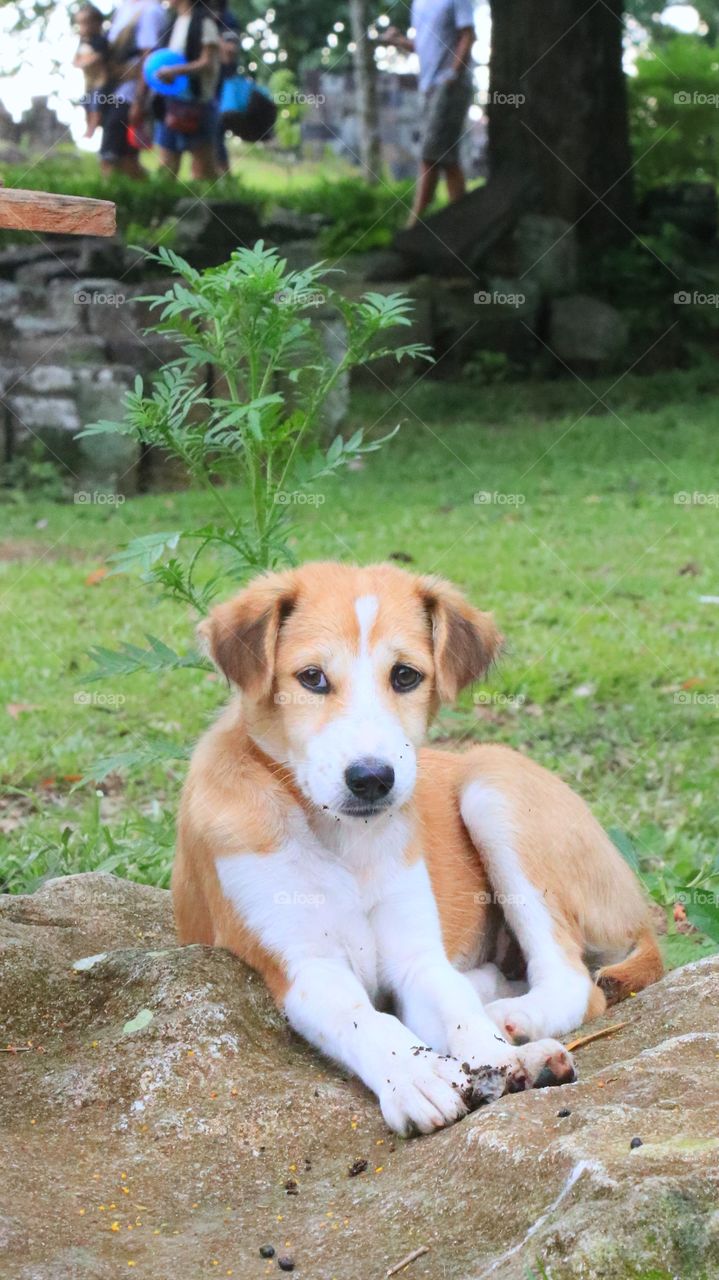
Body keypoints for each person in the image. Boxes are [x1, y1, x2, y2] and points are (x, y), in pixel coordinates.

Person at [385, 1, 475, 227]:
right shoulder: (419, 4)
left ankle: (413, 223)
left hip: (449, 86)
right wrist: (398, 41)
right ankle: (463, 224)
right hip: (427, 87)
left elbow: (468, 35)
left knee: (430, 153)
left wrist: (452, 75)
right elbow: (424, 46)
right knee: (445, 157)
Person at [153, 0, 221, 180]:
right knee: (166, 166)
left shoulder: (205, 22)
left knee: (203, 169)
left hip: (197, 105)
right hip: (170, 102)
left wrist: (175, 72)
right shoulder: (173, 21)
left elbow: (207, 62)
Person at [102, 0, 168, 177]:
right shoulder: (124, 8)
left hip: (130, 93)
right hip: (114, 88)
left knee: (110, 156)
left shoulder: (150, 11)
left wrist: (139, 101)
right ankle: (147, 198)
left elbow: (148, 57)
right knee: (126, 158)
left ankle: (106, 199)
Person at [73, 4, 110, 139]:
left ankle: (92, 129)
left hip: (100, 80)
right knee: (86, 103)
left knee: (96, 104)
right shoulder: (83, 41)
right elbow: (76, 58)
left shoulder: (100, 41)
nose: (83, 28)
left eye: (86, 24)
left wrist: (85, 62)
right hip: (88, 81)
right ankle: (88, 127)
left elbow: (99, 57)